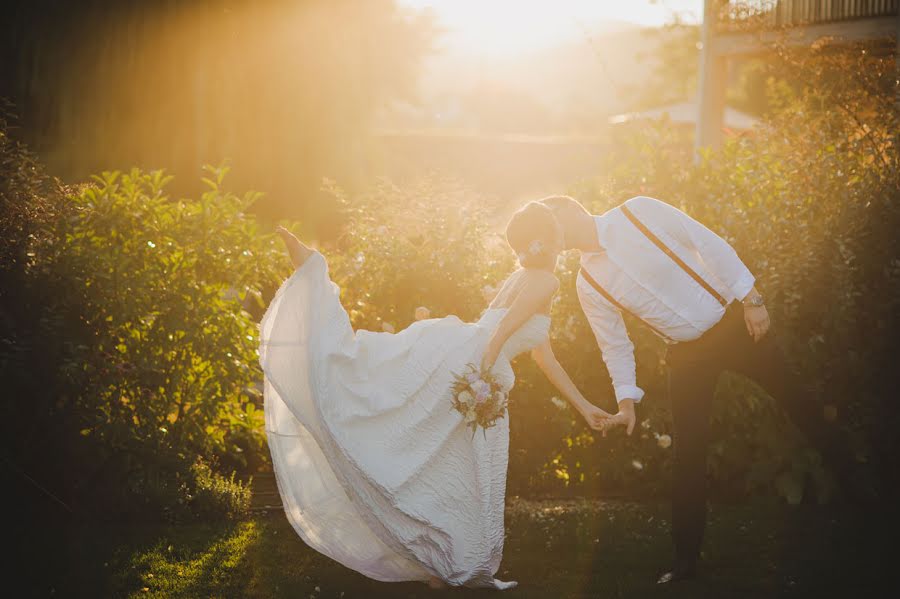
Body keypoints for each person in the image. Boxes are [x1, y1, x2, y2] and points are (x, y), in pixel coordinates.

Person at [260, 202, 612, 590]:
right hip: (474, 364)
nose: (563, 234)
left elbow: (544, 358)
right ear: (545, 238)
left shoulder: (525, 276)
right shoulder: (547, 281)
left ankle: (438, 562)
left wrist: (584, 406)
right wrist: (483, 374)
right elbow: (503, 331)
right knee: (456, 466)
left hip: (464, 353)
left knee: (437, 455)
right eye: (557, 228)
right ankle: (451, 560)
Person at [538, 194, 848, 584]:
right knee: (688, 456)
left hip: (734, 326)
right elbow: (614, 343)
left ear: (570, 208)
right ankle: (686, 561)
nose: (553, 237)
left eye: (552, 225)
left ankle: (856, 484)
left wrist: (751, 298)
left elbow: (705, 240)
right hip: (685, 356)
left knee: (797, 400)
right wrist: (626, 400)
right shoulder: (588, 283)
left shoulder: (637, 211)